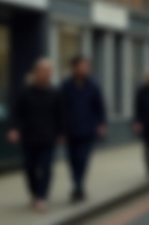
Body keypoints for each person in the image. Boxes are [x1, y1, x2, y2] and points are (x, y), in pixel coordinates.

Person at [9, 59, 64, 213]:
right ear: (36, 72)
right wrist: (14, 129)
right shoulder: (25, 92)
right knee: (29, 167)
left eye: (49, 72)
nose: (46, 74)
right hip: (29, 137)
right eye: (43, 71)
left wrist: (61, 133)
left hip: (48, 137)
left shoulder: (55, 92)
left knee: (46, 168)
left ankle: (42, 197)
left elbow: (61, 114)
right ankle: (34, 193)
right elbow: (16, 112)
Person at [60, 56, 107, 203]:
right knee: (72, 160)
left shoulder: (93, 86)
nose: (85, 69)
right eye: (82, 66)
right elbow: (60, 109)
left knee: (83, 159)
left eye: (87, 66)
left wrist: (101, 124)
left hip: (87, 129)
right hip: (70, 129)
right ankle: (77, 183)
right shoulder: (65, 86)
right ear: (74, 67)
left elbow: (100, 107)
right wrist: (60, 130)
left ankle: (78, 186)